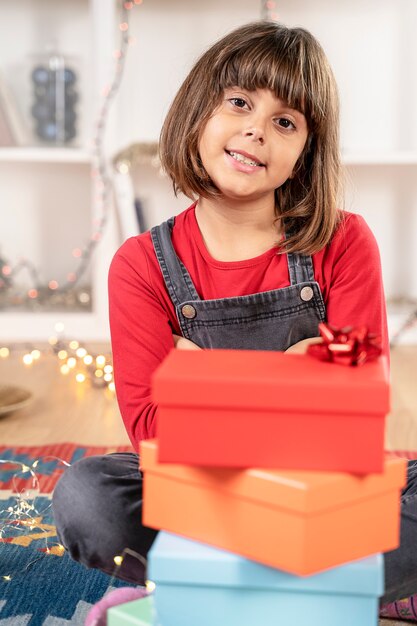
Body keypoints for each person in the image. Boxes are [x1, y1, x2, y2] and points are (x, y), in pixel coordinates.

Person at [52, 20, 417, 618]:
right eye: (240, 102)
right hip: (198, 495)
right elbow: (149, 427)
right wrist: (299, 370)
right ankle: (331, 591)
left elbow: (354, 401)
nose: (255, 128)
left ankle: (203, 589)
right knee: (88, 495)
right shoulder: (140, 265)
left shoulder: (346, 243)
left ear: (305, 153)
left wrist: (202, 379)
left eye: (285, 121)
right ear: (198, 112)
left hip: (321, 492)